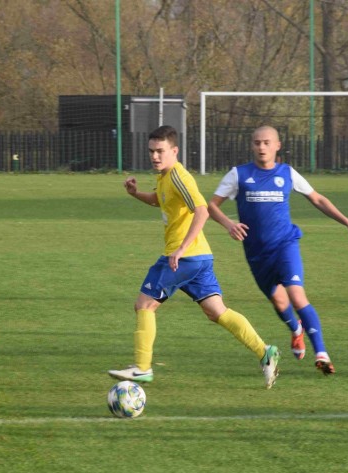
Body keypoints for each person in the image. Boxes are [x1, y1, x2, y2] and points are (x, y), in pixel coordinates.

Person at [108, 125, 281, 388]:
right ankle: (265, 352)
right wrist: (135, 194)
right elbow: (160, 200)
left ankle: (142, 368)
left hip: (182, 257)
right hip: (199, 258)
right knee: (216, 311)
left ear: (174, 150)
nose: (155, 156)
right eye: (152, 151)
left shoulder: (179, 176)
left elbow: (202, 210)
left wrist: (180, 249)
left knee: (144, 305)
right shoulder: (165, 176)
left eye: (160, 151)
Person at [207, 126, 348, 375]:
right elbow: (211, 206)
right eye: (257, 143)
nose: (262, 147)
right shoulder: (239, 175)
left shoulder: (287, 173)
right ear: (252, 146)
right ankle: (296, 329)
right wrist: (228, 224)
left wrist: (347, 221)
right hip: (257, 254)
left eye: (267, 143)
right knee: (280, 303)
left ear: (277, 145)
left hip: (285, 245)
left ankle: (322, 353)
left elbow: (318, 199)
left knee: (297, 296)